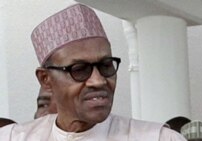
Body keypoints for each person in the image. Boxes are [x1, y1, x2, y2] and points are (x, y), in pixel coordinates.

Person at [0, 3, 186, 141]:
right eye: (79, 70)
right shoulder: (12, 138)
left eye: (106, 66)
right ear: (46, 79)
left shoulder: (158, 138)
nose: (98, 81)